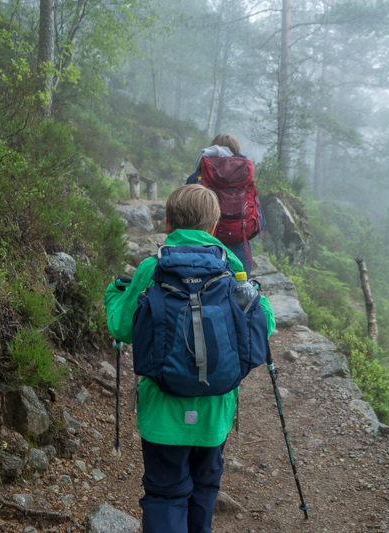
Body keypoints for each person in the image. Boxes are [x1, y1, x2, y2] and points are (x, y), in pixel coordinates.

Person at [105, 184, 276, 533]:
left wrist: (113, 294)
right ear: (214, 227)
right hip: (215, 412)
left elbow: (123, 327)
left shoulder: (152, 268)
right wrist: (255, 292)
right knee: (204, 488)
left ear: (167, 223)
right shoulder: (231, 266)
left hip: (161, 413)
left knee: (165, 494)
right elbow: (265, 323)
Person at [186, 133, 266, 277]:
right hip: (239, 252)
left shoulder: (197, 178)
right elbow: (259, 223)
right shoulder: (245, 179)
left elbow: (184, 219)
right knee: (238, 293)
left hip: (204, 249)